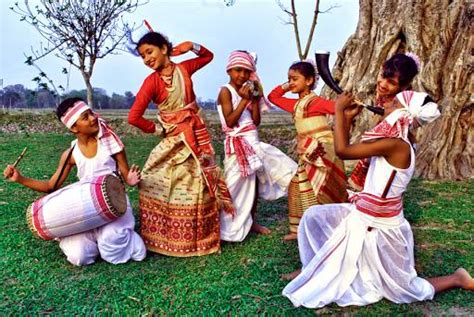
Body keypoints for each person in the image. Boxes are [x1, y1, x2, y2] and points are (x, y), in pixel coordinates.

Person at [282, 90, 474, 308]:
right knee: (314, 217)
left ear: (402, 113)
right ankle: (315, 269)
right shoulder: (398, 141)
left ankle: (458, 278)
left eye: (394, 103)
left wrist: (338, 109)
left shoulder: (396, 144)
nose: (387, 104)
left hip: (381, 226)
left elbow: (343, 150)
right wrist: (346, 118)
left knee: (406, 290)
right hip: (365, 216)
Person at [3, 97, 146, 266]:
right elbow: (51, 186)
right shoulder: (70, 154)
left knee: (112, 247)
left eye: (91, 113)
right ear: (73, 128)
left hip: (115, 205)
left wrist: (130, 180)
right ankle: (96, 239)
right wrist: (20, 179)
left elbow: (126, 174)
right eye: (85, 117)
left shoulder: (110, 144)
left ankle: (128, 243)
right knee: (79, 255)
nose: (93, 118)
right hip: (86, 208)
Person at [128, 32, 235, 256]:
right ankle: (167, 239)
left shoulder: (184, 69)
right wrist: (159, 129)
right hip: (175, 141)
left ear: (164, 49)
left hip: (196, 135)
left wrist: (191, 45)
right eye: (142, 56)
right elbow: (134, 117)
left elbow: (208, 56)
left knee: (200, 185)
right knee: (165, 184)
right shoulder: (151, 82)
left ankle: (200, 239)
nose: (146, 59)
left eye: (149, 52)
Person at [217, 50, 297, 242]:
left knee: (252, 186)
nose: (242, 75)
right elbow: (229, 122)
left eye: (246, 71)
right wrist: (244, 100)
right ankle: (224, 228)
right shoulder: (225, 91)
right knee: (234, 186)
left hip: (253, 142)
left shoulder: (248, 91)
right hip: (238, 146)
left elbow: (255, 121)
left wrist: (253, 101)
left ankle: (250, 221)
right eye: (238, 70)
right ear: (229, 70)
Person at [268, 61, 348, 240]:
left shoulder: (316, 102)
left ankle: (332, 228)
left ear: (310, 80)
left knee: (320, 188)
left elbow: (342, 109)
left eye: (295, 79)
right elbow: (273, 97)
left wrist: (346, 103)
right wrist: (287, 85)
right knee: (300, 188)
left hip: (322, 152)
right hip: (307, 153)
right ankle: (299, 230)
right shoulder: (296, 105)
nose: (291, 83)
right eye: (289, 79)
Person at [349, 53, 420, 191]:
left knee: (381, 185)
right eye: (382, 76)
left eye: (391, 82)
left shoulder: (397, 107)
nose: (383, 84)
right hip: (381, 147)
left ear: (404, 86)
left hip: (390, 149)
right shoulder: (386, 97)